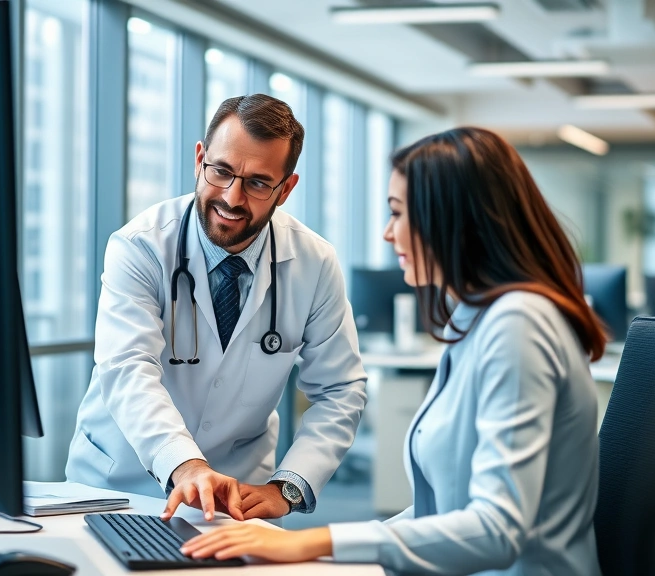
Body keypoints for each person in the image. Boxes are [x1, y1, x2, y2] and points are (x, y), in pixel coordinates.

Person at [180, 127, 606, 575]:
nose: (387, 234)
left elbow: (496, 530)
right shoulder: (476, 321)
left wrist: (315, 542)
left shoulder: (520, 326)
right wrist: (319, 546)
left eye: (399, 214)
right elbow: (442, 515)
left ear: (451, 219)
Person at [65, 94, 367, 523]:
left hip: (236, 498)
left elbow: (340, 389)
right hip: (119, 485)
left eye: (259, 183)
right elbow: (128, 365)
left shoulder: (314, 263)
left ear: (286, 188)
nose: (232, 197)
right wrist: (183, 462)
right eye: (221, 171)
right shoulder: (142, 246)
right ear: (200, 159)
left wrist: (289, 484)